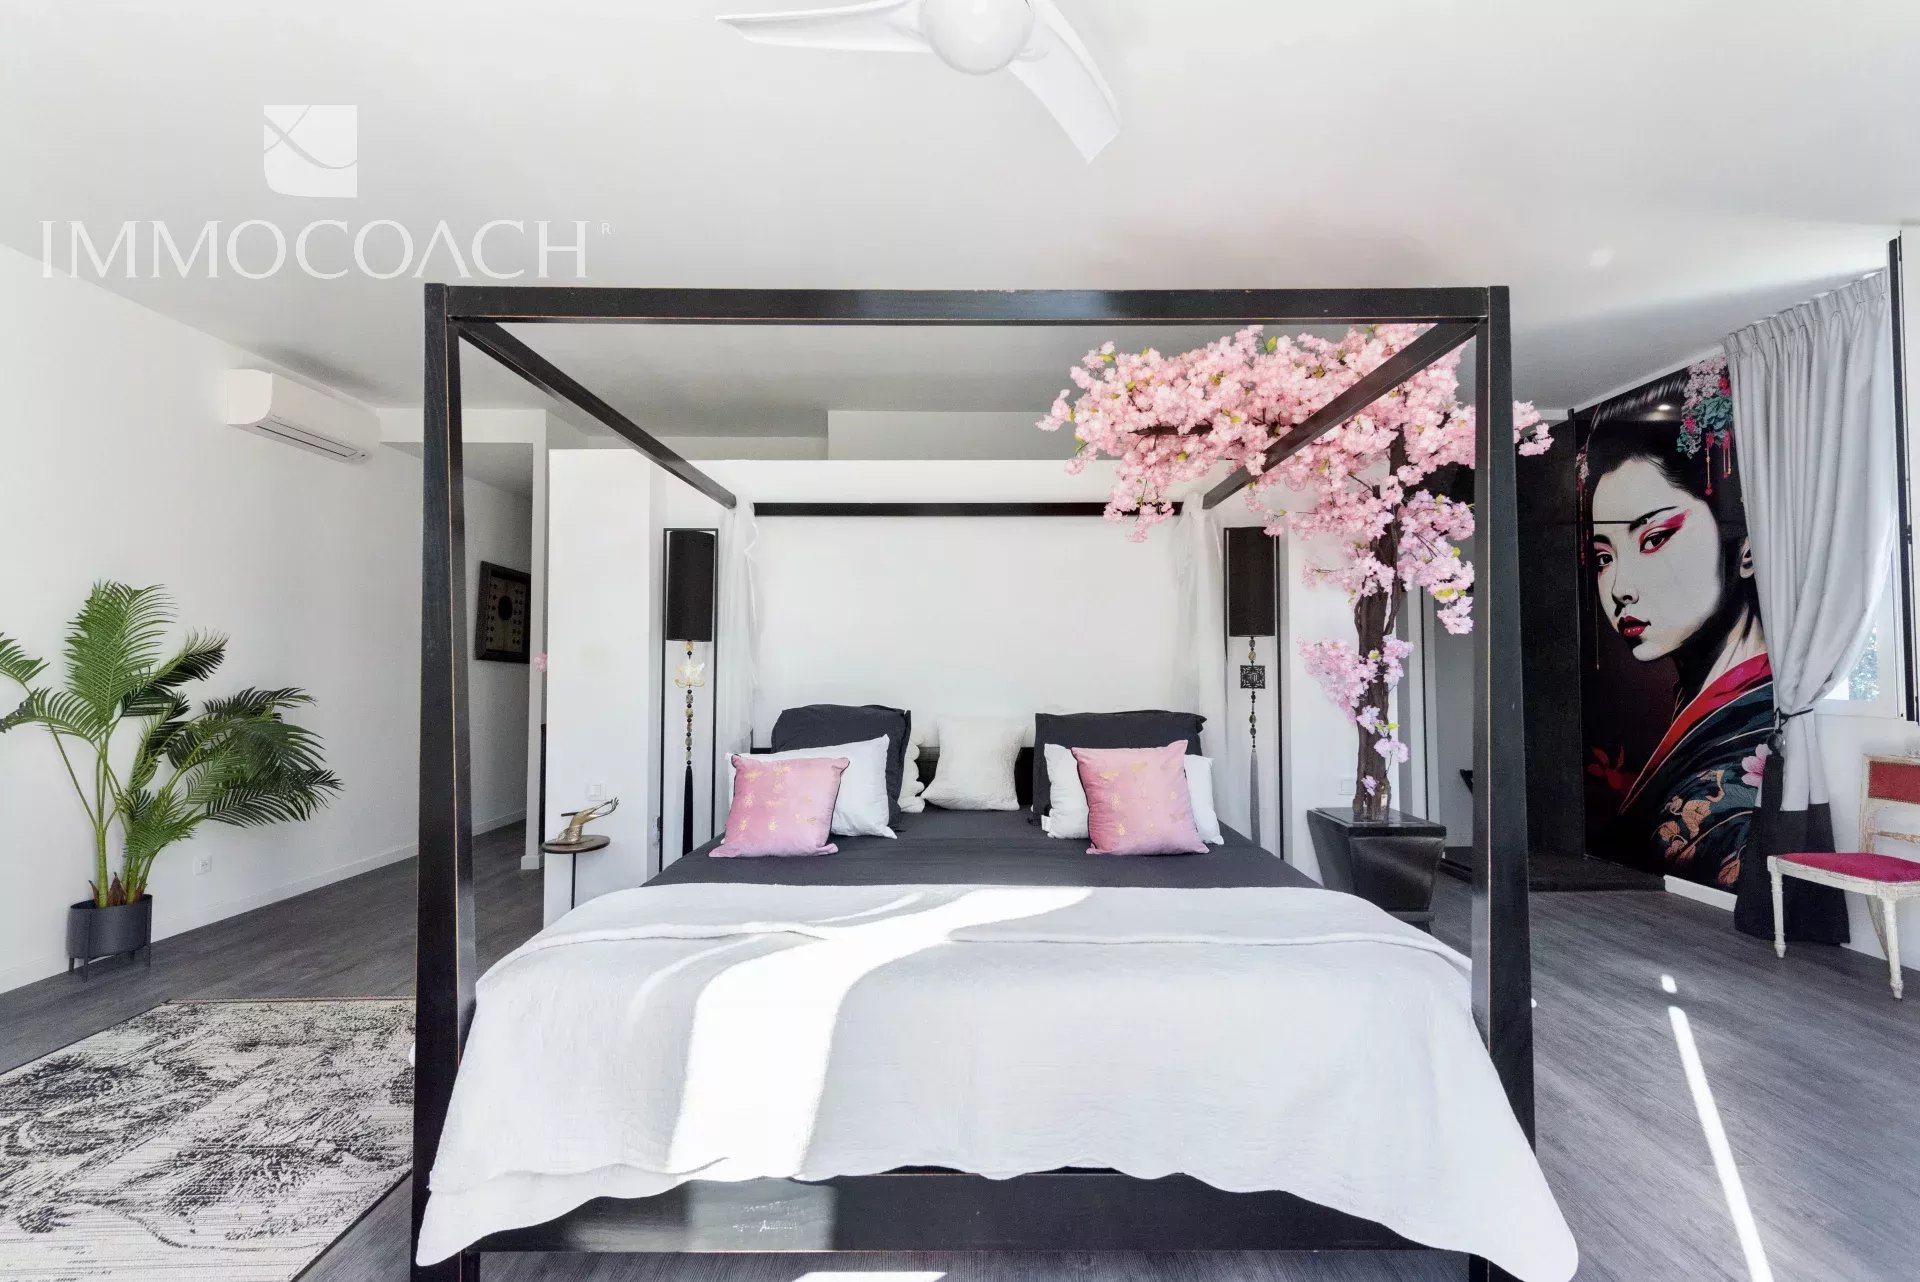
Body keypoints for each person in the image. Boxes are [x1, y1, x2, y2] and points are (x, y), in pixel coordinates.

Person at [1582, 422, 1771, 887]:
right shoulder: (1711, 704)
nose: (1621, 589)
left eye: (1654, 539)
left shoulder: (1751, 730)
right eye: (1605, 557)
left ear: (1745, 544)